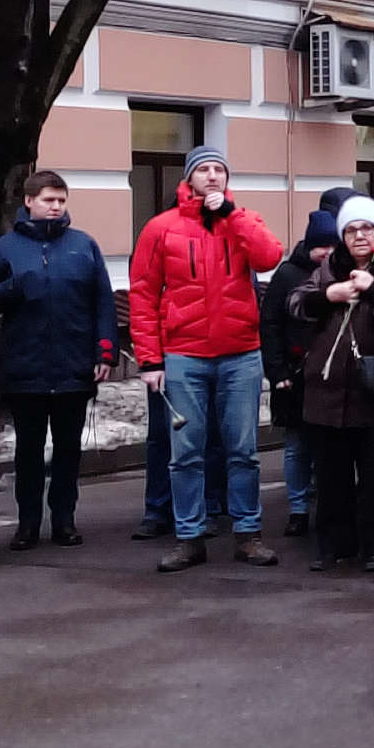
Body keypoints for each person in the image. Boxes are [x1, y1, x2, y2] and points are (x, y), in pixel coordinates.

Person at [130, 145, 285, 573]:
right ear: (189, 179)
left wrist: (232, 216)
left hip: (240, 354)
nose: (213, 176)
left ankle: (248, 534)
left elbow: (270, 256)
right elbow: (143, 294)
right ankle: (189, 537)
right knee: (185, 453)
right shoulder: (161, 228)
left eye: (220, 170)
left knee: (244, 451)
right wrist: (149, 359)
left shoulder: (243, 220)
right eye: (205, 170)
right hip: (184, 355)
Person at [0, 170, 118, 551]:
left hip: (74, 364)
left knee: (69, 450)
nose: (56, 207)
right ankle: (28, 523)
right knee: (29, 450)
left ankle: (64, 520)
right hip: (25, 366)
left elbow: (102, 301)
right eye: (49, 200)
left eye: (61, 201)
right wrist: (12, 288)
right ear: (29, 202)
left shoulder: (82, 246)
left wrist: (105, 351)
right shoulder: (7, 248)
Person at [290, 194, 374, 572]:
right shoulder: (329, 267)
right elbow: (295, 302)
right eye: (352, 229)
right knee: (331, 476)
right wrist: (331, 294)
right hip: (327, 391)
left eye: (367, 228)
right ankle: (335, 545)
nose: (359, 236)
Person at [260, 208, 341, 540]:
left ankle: (326, 506)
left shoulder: (341, 273)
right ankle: (297, 508)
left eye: (332, 247)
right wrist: (276, 369)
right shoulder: (288, 274)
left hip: (331, 374)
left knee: (327, 447)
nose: (327, 253)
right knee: (296, 445)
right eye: (322, 247)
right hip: (293, 375)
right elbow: (271, 324)